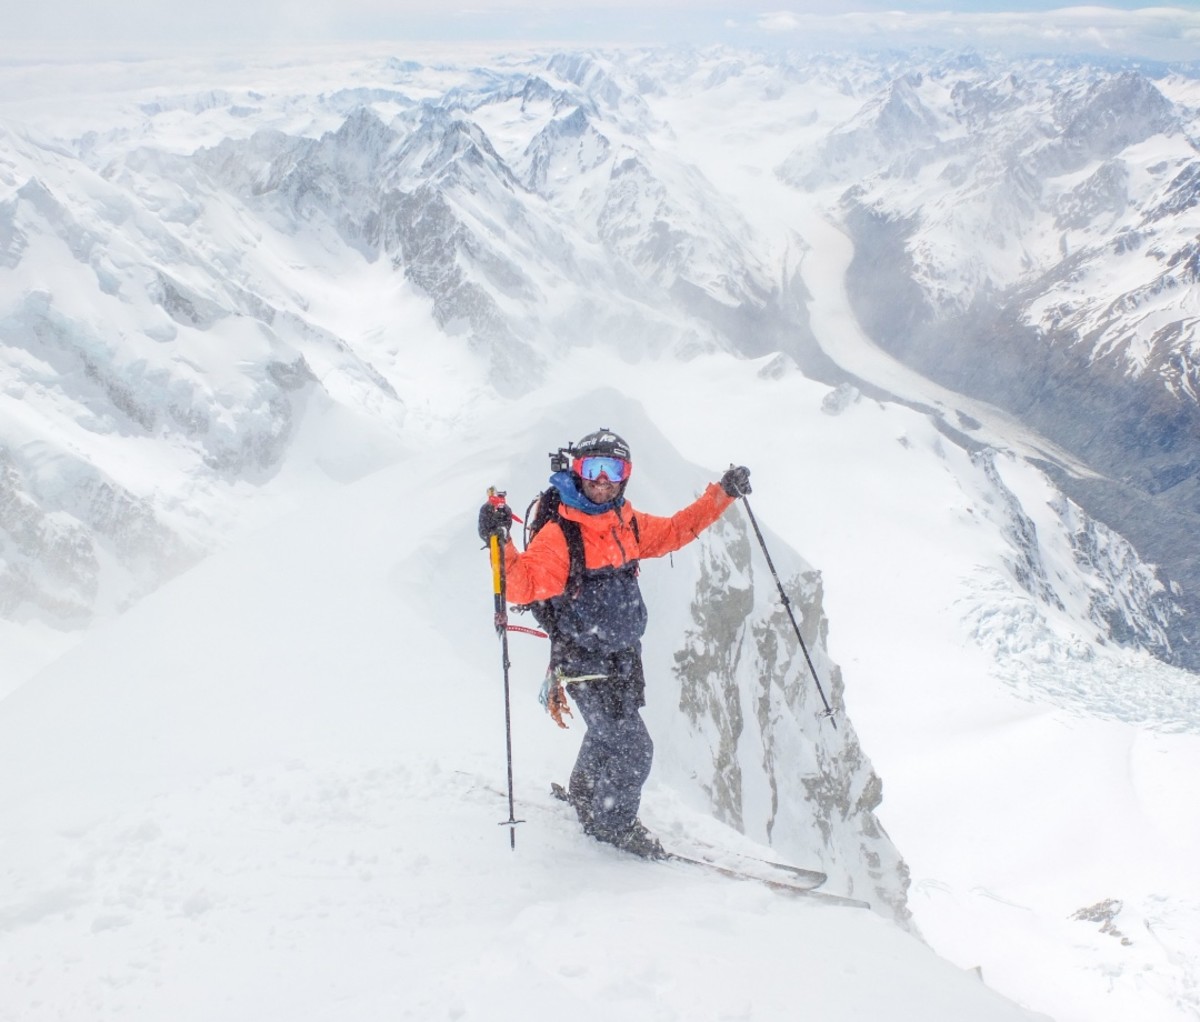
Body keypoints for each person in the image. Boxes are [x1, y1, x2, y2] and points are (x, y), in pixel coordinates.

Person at [478, 428, 751, 858]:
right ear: (577, 471)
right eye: (592, 469)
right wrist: (499, 541)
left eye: (613, 469)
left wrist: (723, 495)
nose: (602, 480)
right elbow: (522, 585)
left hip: (623, 656)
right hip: (583, 659)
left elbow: (679, 529)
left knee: (609, 735)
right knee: (634, 749)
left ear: (625, 476)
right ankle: (612, 826)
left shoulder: (627, 522)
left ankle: (586, 795)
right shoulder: (561, 535)